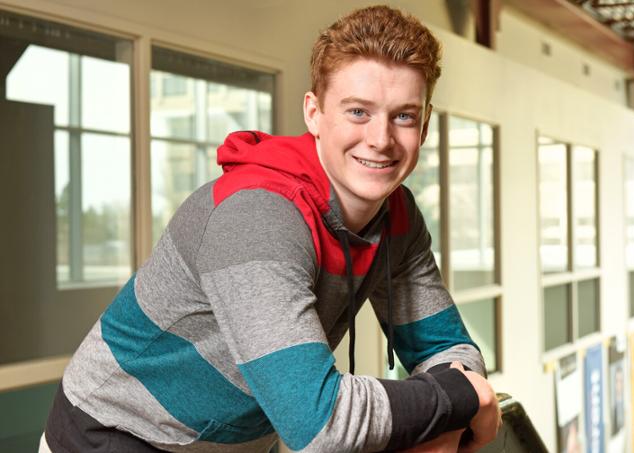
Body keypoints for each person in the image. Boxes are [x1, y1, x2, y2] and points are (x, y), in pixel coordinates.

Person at [42, 5, 500, 452]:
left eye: (403, 116)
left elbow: (449, 348)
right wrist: (462, 398)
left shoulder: (396, 213)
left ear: (424, 125)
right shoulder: (256, 215)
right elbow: (321, 425)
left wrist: (449, 402)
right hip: (116, 433)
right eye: (358, 112)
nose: (381, 139)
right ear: (314, 113)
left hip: (239, 439)